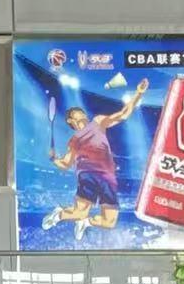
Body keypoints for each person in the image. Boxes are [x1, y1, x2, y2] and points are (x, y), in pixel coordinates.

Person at [38, 80, 149, 240]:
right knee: (79, 212)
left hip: (108, 178)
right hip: (88, 174)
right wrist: (54, 159)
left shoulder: (98, 122)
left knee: (109, 222)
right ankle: (59, 215)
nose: (82, 115)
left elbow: (123, 114)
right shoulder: (74, 140)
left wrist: (139, 93)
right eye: (78, 113)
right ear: (71, 121)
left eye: (83, 113)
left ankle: (86, 223)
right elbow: (66, 164)